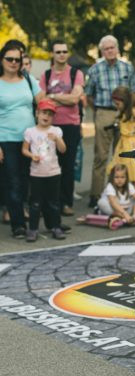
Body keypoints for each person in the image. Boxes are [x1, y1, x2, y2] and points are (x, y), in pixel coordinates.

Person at [84, 35, 135, 208]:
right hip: (104, 112)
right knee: (101, 156)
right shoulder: (94, 69)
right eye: (106, 49)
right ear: (102, 51)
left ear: (117, 49)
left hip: (124, 114)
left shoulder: (127, 68)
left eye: (112, 48)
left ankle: (122, 193)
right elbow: (89, 95)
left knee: (122, 156)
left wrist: (131, 111)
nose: (109, 51)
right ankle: (95, 195)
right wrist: (99, 113)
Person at [0, 41, 44, 238]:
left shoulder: (28, 80)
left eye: (17, 59)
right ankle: (18, 225)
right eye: (9, 59)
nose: (14, 62)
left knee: (29, 181)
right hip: (6, 139)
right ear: (2, 60)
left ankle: (32, 221)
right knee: (13, 182)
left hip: (30, 139)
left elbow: (43, 101)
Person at [39, 39, 85, 217]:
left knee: (67, 165)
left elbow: (75, 99)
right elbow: (42, 100)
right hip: (50, 125)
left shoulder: (76, 73)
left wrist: (53, 96)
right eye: (58, 52)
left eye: (64, 51)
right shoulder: (46, 74)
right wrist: (61, 96)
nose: (61, 55)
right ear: (53, 54)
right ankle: (50, 202)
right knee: (49, 163)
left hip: (70, 125)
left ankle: (66, 202)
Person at [21, 99, 67, 242]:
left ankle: (55, 227)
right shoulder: (30, 132)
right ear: (37, 114)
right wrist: (31, 155)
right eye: (43, 113)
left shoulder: (56, 131)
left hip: (53, 172)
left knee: (54, 202)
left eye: (50, 114)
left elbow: (63, 150)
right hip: (36, 173)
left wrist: (57, 139)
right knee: (35, 203)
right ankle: (33, 229)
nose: (46, 116)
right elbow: (24, 149)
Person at [96, 164, 135, 229]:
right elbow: (113, 203)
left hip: (126, 209)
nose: (119, 180)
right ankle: (124, 217)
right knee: (101, 202)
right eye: (116, 177)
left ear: (126, 178)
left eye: (122, 177)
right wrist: (124, 214)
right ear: (112, 178)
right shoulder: (110, 187)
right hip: (114, 210)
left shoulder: (129, 186)